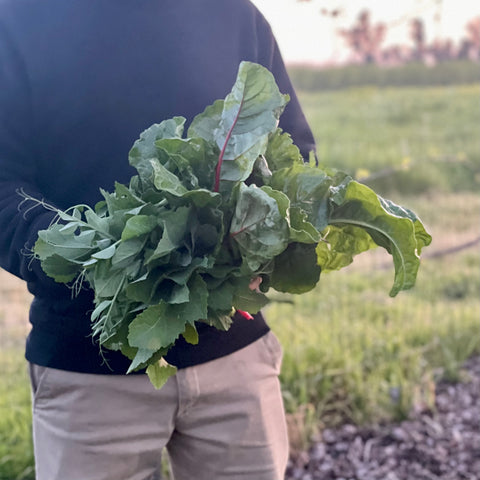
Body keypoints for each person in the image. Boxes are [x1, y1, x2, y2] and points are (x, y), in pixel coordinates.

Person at [0, 1, 316, 479]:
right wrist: (112, 265)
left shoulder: (231, 12)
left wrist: (255, 245)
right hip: (88, 370)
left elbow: (294, 151)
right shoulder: (17, 19)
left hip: (235, 357)